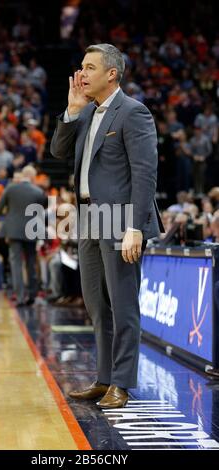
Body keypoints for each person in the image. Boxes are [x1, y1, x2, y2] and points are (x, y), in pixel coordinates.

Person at [50, 43, 164, 409]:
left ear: (111, 74)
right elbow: (57, 151)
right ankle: (103, 378)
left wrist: (135, 226)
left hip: (119, 220)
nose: (81, 74)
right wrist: (71, 110)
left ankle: (123, 383)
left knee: (123, 304)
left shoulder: (133, 112)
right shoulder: (84, 113)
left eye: (89, 67)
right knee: (97, 306)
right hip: (88, 220)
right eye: (81, 67)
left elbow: (145, 173)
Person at [0, 165, 47, 306]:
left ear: (23, 175)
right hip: (31, 231)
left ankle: (20, 296)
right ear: (33, 177)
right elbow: (43, 214)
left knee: (16, 263)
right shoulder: (38, 191)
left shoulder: (11, 188)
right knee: (30, 262)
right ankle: (33, 295)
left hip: (13, 231)